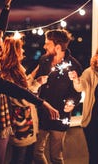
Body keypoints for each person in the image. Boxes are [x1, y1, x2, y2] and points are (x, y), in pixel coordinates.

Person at [0, 0, 59, 163]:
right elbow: (12, 88)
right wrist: (43, 103)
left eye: (1, 44)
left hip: (0, 126)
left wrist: (6, 6)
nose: (1, 48)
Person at [33, 29, 83, 164]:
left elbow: (78, 92)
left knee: (56, 157)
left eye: (47, 44)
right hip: (42, 114)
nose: (44, 47)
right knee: (36, 152)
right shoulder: (43, 61)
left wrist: (72, 103)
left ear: (58, 47)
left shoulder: (74, 66)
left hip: (60, 117)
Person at [0, 34, 48, 164]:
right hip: (21, 124)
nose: (23, 51)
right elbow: (22, 99)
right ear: (14, 52)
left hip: (28, 123)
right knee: (19, 159)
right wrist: (37, 84)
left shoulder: (18, 69)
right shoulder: (8, 73)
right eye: (20, 48)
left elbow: (24, 86)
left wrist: (35, 74)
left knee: (28, 158)